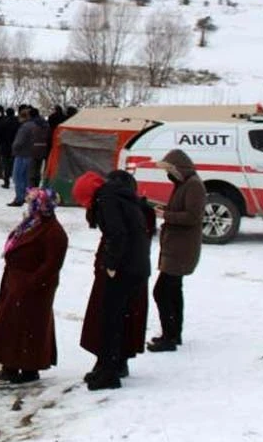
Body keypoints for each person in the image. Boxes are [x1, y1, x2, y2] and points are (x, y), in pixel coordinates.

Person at [74, 171, 154, 392]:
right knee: (118, 317)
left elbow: (117, 234)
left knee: (110, 319)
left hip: (125, 268)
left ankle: (108, 373)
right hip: (137, 266)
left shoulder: (106, 199)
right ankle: (111, 366)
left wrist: (111, 264)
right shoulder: (120, 195)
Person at [0, 187, 68, 384]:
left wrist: (30, 283)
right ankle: (11, 365)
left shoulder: (54, 232)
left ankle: (29, 367)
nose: (29, 206)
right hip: (16, 283)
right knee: (11, 326)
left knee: (29, 328)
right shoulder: (31, 224)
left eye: (32, 202)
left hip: (33, 288)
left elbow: (52, 265)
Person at [148, 150, 206, 352]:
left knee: (162, 291)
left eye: (170, 170)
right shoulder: (185, 184)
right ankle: (173, 333)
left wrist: (166, 215)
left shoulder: (193, 186)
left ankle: (169, 337)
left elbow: (192, 216)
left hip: (181, 248)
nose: (168, 175)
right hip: (176, 246)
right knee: (172, 291)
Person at [0, 108, 18, 189]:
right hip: (15, 145)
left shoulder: (3, 123)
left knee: (6, 164)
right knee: (14, 163)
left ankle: (6, 181)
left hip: (4, 146)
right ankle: (14, 178)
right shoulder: (17, 122)